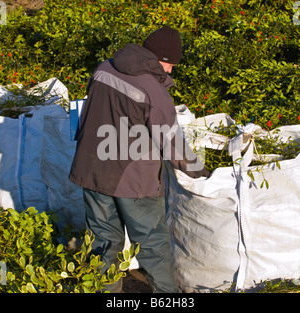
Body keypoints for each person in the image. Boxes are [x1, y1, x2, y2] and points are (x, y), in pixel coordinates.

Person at [69, 25, 210, 293]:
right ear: (161, 59)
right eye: (170, 65)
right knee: (152, 244)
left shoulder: (103, 68)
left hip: (91, 169)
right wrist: (201, 173)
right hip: (132, 181)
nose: (170, 71)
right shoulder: (152, 89)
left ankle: (105, 292)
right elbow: (172, 143)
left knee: (102, 241)